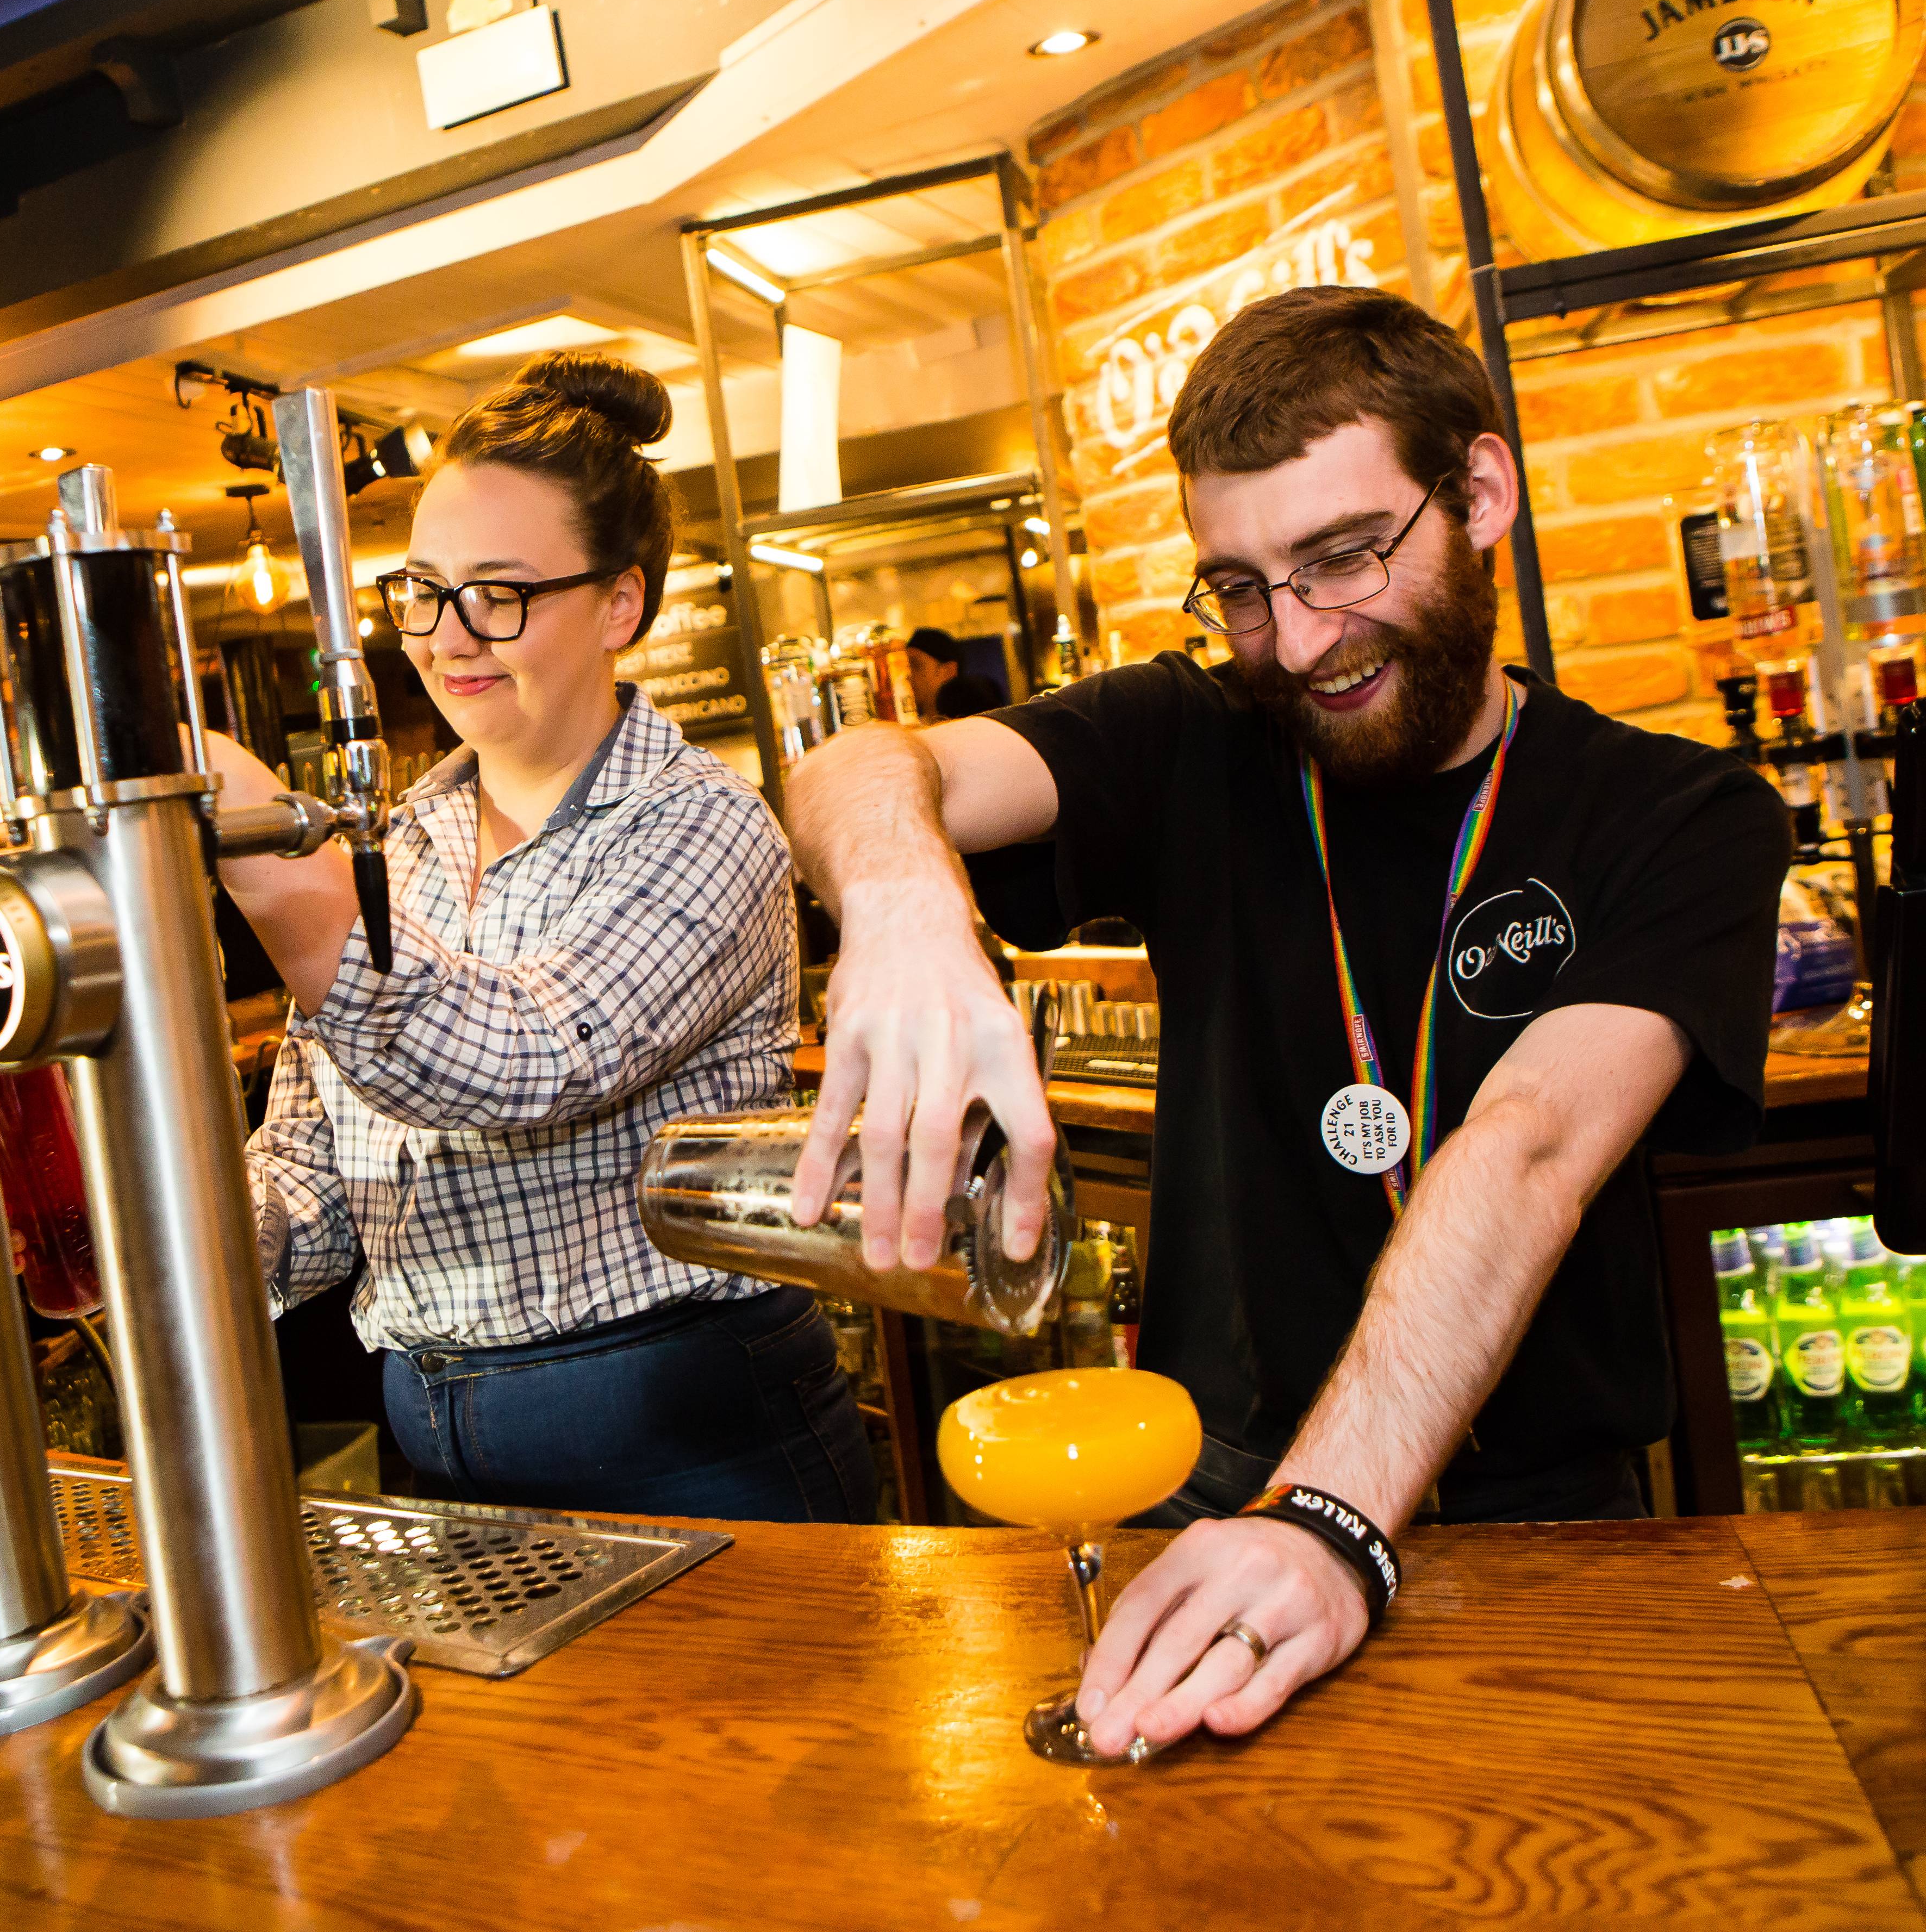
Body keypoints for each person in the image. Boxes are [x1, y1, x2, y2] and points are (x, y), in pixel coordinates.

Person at [783, 287, 1787, 1750]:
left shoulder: (1676, 815)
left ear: (1483, 491)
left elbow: (1529, 1145)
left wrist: (1334, 1521)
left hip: (1542, 1515)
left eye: (1343, 557)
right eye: (1241, 585)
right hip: (1222, 1487)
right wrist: (906, 906)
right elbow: (861, 771)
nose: (1301, 637)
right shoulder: (1192, 740)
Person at [208, 351, 875, 1524]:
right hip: (437, 1453)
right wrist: (175, 1230)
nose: (445, 636)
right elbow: (318, 1179)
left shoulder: (704, 828)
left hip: (691, 1440)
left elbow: (532, 1057)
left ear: (621, 603)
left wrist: (277, 874)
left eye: (498, 594)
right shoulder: (397, 843)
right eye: (421, 591)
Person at [906, 626, 1005, 721]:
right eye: (905, 667)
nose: (907, 676)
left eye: (915, 665)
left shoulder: (975, 724)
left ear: (949, 671)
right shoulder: (911, 732)